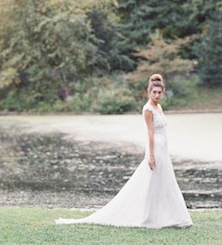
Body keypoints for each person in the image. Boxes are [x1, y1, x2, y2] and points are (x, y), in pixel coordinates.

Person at [56, 73, 193, 229]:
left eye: (159, 92)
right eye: (154, 92)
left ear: (163, 92)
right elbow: (150, 133)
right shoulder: (148, 109)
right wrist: (151, 155)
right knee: (151, 183)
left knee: (166, 182)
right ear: (149, 92)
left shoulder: (159, 107)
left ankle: (174, 217)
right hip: (155, 149)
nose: (156, 95)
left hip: (163, 149)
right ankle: (148, 219)